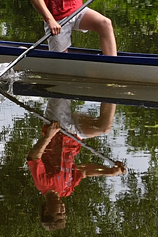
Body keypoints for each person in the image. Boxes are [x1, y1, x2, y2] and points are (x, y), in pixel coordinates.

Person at [27, 99, 125, 230]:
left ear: (46, 211)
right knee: (104, 127)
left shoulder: (43, 184)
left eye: (58, 213)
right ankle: (112, 90)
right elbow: (83, 171)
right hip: (74, 136)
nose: (63, 210)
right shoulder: (66, 191)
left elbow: (34, 157)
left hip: (58, 128)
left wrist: (48, 136)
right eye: (64, 214)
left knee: (62, 90)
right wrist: (109, 171)